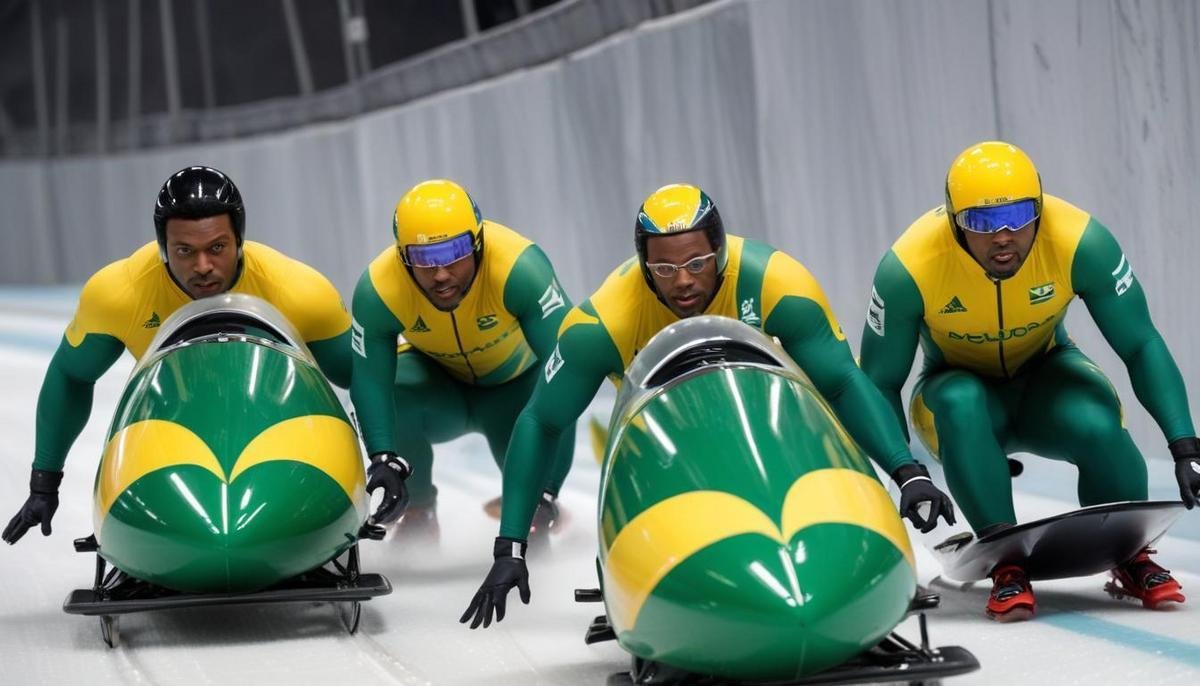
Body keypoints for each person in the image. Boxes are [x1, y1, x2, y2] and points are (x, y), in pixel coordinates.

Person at [459, 183, 956, 628]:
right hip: (672, 450)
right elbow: (542, 419)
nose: (683, 282)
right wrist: (511, 546)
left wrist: (906, 471)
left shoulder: (776, 282)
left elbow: (843, 383)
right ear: (644, 267)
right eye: (665, 269)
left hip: (772, 432)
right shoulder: (604, 321)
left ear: (720, 252)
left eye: (697, 264)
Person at [860, 141, 1200, 621]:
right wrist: (905, 474)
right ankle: (1006, 561)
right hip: (956, 394)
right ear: (954, 220)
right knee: (960, 399)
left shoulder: (1079, 239)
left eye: (1020, 216)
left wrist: (1185, 444)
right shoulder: (910, 265)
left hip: (1047, 379)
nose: (1003, 236)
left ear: (1040, 209)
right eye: (980, 222)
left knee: (1096, 417)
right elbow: (877, 382)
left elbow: (1140, 342)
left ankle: (1130, 555)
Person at [2, 165, 406, 545]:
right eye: (184, 251)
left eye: (217, 247)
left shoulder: (298, 292)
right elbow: (71, 377)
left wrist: (384, 457)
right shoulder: (119, 293)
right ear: (163, 248)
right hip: (174, 419)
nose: (203, 266)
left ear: (239, 241)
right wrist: (44, 481)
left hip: (273, 418)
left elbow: (367, 375)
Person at [349, 179, 576, 542]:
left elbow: (568, 368)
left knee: (534, 517)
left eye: (454, 254)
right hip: (440, 387)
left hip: (516, 391)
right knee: (394, 388)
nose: (441, 274)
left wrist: (546, 490)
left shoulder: (519, 269)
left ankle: (540, 503)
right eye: (423, 260)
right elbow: (369, 381)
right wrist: (381, 459)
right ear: (402, 258)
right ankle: (418, 511)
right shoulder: (378, 289)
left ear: (479, 243)